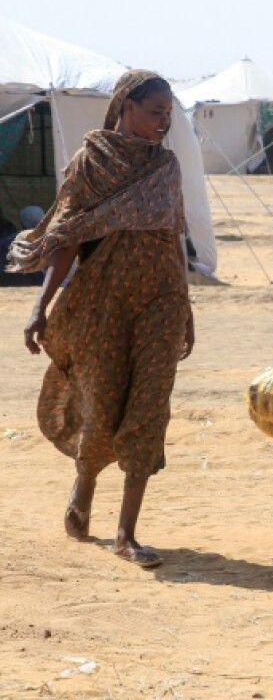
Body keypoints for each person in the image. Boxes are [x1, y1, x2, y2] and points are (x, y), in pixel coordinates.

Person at [10, 69, 194, 569]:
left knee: (150, 405)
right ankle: (84, 484)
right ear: (126, 107)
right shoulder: (91, 161)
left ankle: (126, 534)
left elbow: (174, 236)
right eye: (155, 111)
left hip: (160, 299)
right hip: (103, 302)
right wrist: (39, 307)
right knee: (104, 399)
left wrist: (186, 307)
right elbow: (67, 237)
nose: (163, 122)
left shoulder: (167, 166)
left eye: (168, 114)